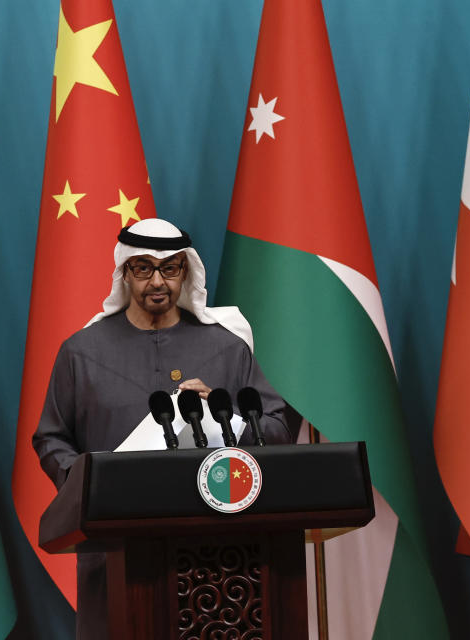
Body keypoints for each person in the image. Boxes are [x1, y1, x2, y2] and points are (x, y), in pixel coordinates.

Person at [32, 218, 296, 639]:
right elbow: (51, 438)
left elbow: (277, 428)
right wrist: (87, 484)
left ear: (185, 272)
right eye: (143, 268)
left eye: (170, 268)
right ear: (124, 272)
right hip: (114, 548)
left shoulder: (226, 347)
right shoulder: (81, 352)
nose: (157, 281)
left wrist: (222, 412)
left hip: (217, 552)